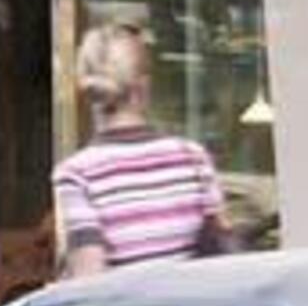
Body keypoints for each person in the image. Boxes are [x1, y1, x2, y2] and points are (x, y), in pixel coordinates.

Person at [51, 23, 231, 278]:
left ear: (87, 91)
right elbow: (222, 255)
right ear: (143, 86)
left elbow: (88, 279)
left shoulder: (76, 174)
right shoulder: (193, 158)